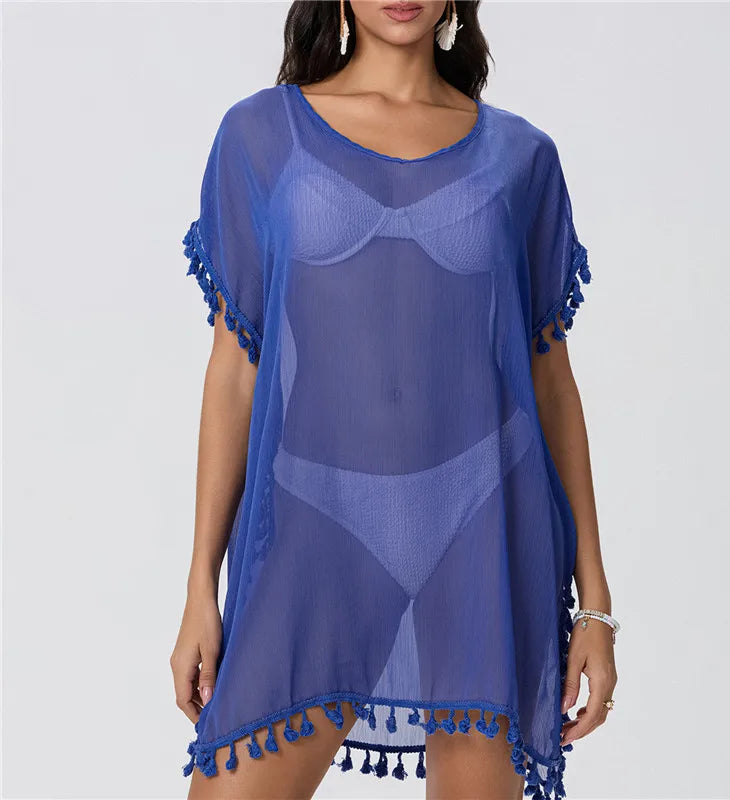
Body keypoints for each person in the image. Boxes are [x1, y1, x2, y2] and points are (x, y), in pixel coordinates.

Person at [170, 1, 618, 798]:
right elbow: (235, 370)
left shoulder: (521, 156)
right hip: (315, 519)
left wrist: (595, 602)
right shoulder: (259, 137)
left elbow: (551, 382)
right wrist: (201, 583)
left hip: (483, 520)